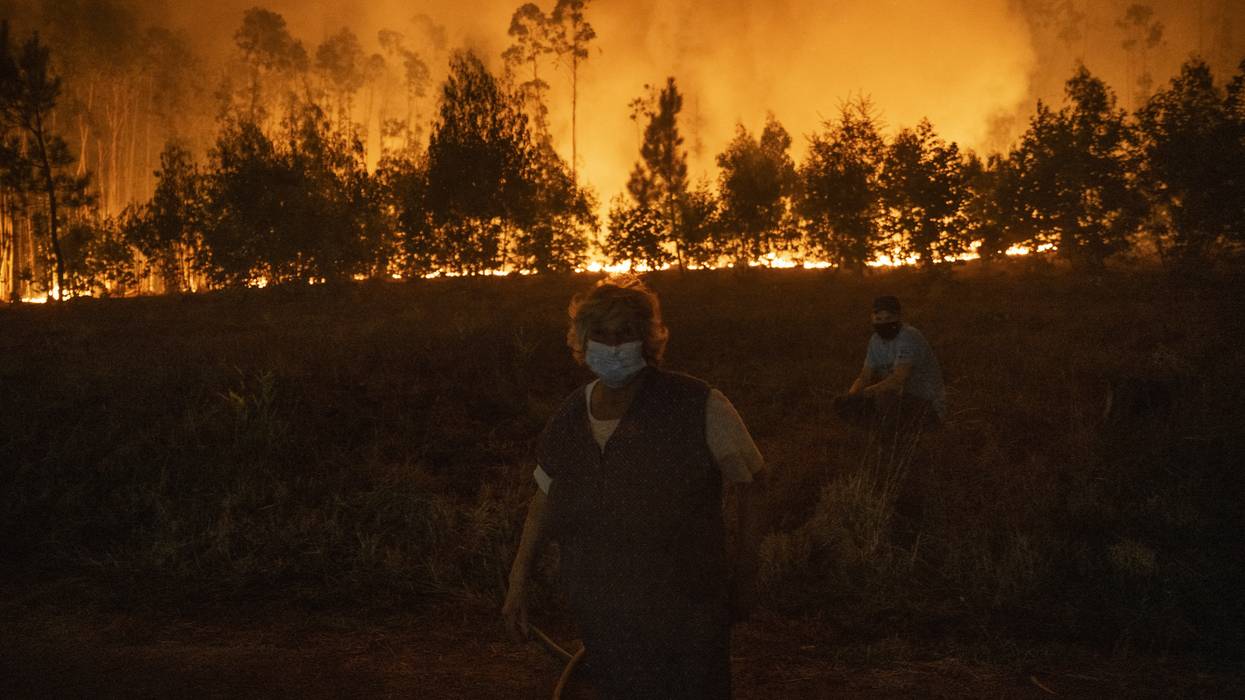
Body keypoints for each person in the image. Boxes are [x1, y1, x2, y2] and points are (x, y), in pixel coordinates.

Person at [503, 274, 766, 699]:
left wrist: (746, 575)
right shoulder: (572, 414)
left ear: (646, 339)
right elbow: (545, 497)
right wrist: (518, 583)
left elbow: (752, 482)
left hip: (687, 607)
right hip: (602, 606)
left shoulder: (697, 403)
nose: (613, 346)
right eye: (601, 334)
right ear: (582, 340)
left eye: (624, 333)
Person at [834, 295, 946, 433]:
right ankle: (877, 433)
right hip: (899, 400)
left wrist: (866, 393)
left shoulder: (909, 336)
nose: (883, 323)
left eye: (888, 318)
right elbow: (864, 376)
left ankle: (896, 436)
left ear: (898, 317)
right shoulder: (875, 340)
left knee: (884, 397)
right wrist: (851, 396)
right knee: (844, 403)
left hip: (927, 405)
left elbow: (899, 379)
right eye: (878, 319)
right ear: (872, 318)